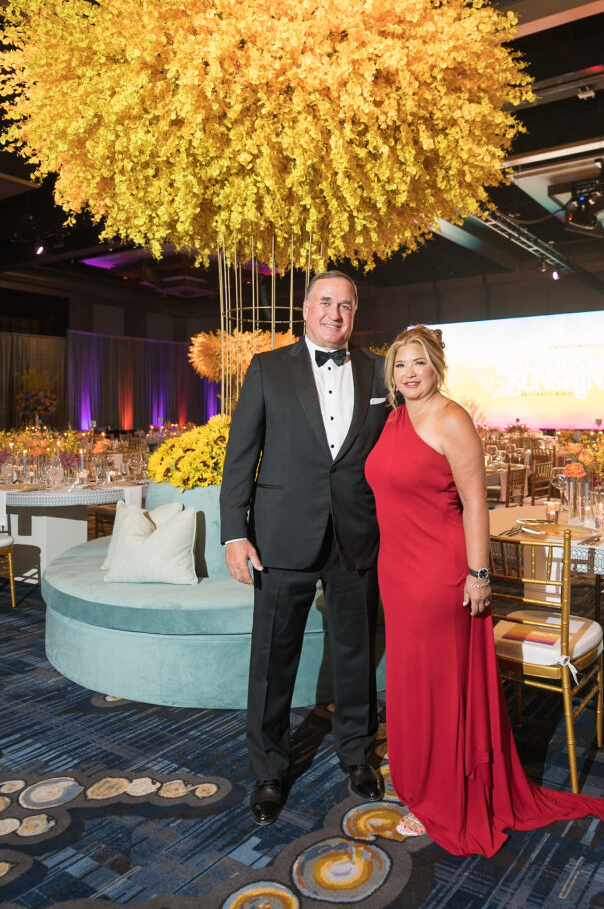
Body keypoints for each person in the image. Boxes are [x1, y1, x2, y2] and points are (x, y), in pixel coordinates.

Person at [365, 325, 604, 857]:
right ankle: (421, 786)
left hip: (439, 574)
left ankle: (447, 796)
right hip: (396, 571)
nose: (409, 373)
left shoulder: (451, 418)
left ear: (436, 367)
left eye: (418, 363)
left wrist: (479, 574)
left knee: (440, 687)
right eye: (400, 364)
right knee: (412, 683)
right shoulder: (394, 417)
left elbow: (474, 504)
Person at [220, 270, 389, 826]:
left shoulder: (377, 369)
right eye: (325, 302)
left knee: (356, 653)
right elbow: (240, 455)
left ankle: (358, 754)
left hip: (354, 535)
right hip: (281, 536)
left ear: (354, 313)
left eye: (345, 305)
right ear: (305, 307)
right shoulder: (268, 368)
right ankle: (269, 769)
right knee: (272, 659)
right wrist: (234, 532)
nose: (335, 313)